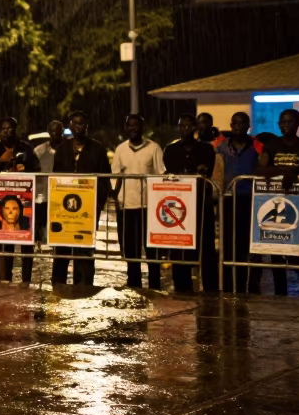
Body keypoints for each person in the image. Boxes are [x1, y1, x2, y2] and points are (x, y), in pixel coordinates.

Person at [254, 108, 299, 296]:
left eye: (290, 121)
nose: (285, 125)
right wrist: (286, 172)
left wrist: (295, 174)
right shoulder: (271, 145)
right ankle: (280, 293)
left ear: (298, 123)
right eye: (282, 122)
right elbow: (259, 170)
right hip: (274, 202)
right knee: (277, 252)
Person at [50, 111, 112, 286]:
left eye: (82, 124)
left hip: (88, 209)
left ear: (87, 127)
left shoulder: (97, 149)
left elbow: (105, 177)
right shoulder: (63, 149)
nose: (79, 127)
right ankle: (58, 282)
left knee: (84, 247)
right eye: (76, 124)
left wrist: (98, 203)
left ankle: (83, 283)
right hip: (64, 208)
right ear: (70, 126)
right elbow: (55, 176)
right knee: (62, 247)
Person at [163, 112, 218, 293]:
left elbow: (207, 171)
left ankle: (210, 288)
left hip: (201, 205)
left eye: (189, 126)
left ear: (195, 128)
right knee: (180, 247)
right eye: (182, 126)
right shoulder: (171, 150)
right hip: (179, 207)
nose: (185, 129)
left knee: (206, 248)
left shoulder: (206, 149)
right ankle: (182, 287)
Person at [112, 114, 165, 290]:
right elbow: (115, 177)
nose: (133, 128)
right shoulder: (120, 149)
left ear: (143, 128)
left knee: (151, 248)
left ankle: (155, 284)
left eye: (136, 125)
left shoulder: (154, 148)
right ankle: (134, 284)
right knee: (129, 248)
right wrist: (115, 198)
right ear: (126, 128)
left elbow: (161, 175)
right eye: (130, 125)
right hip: (126, 206)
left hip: (149, 206)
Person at [0, 117, 41, 282]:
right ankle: (5, 278)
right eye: (3, 128)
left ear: (15, 130)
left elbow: (37, 169)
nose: (7, 131)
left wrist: (25, 170)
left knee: (26, 242)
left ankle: (26, 280)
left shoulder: (25, 148)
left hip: (24, 201)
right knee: (6, 242)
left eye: (10, 128)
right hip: (1, 203)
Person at [215, 112, 263, 293]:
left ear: (248, 125)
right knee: (228, 245)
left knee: (249, 246)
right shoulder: (221, 148)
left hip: (251, 202)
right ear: (230, 124)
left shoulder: (257, 146)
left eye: (242, 123)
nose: (237, 126)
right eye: (234, 123)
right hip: (228, 202)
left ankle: (250, 286)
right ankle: (227, 286)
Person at [31, 121, 65, 284]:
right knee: (39, 236)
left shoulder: (68, 149)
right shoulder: (39, 150)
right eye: (52, 131)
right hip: (42, 198)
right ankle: (37, 273)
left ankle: (58, 274)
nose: (55, 135)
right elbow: (33, 171)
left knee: (58, 237)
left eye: (58, 132)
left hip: (61, 201)